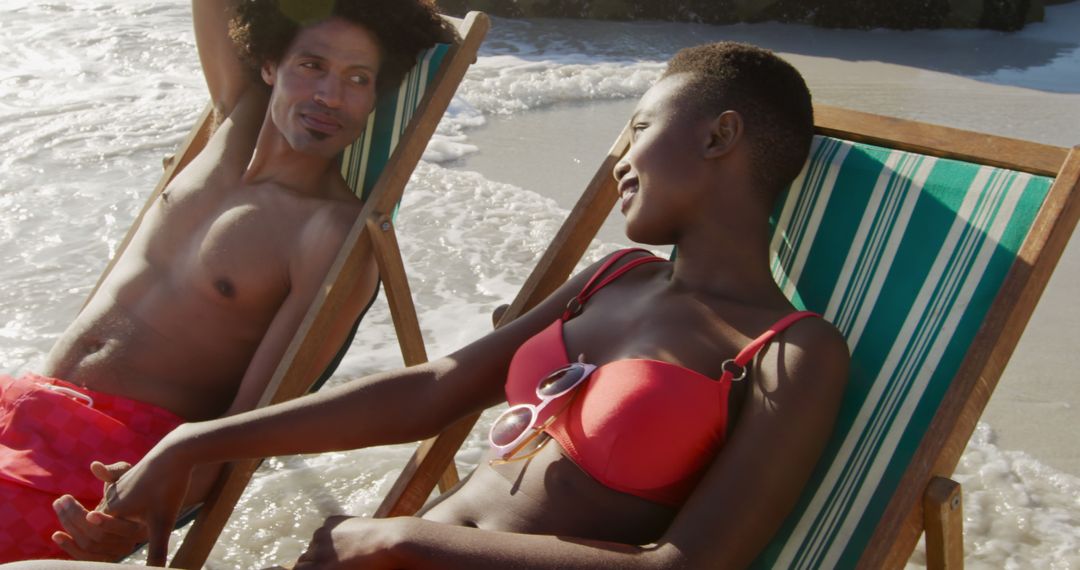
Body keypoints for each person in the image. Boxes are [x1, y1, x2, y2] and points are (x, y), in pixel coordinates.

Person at [22, 41, 850, 569]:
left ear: (719, 137)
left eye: (636, 128)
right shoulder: (616, 276)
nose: (615, 154)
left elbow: (684, 569)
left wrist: (398, 536)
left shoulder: (790, 349)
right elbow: (431, 390)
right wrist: (192, 444)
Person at [0, 0, 451, 563]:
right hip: (21, 403)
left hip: (99, 466)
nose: (330, 97)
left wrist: (134, 515)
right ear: (269, 64)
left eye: (357, 79)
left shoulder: (328, 235)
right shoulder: (236, 119)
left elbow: (253, 428)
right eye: (311, 65)